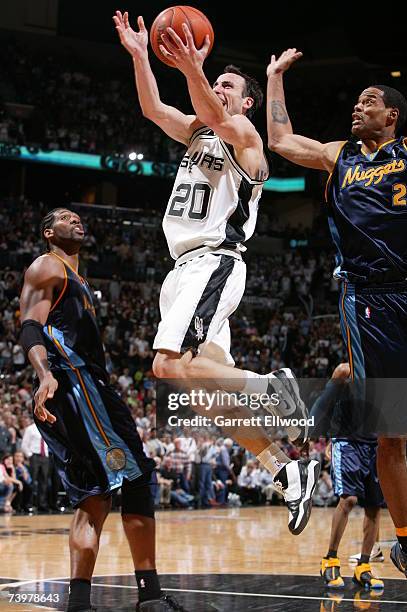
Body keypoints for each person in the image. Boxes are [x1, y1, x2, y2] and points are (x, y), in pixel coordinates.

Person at [113, 10, 319, 536]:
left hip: (213, 261)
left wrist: (192, 69)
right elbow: (153, 107)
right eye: (216, 82)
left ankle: (272, 387)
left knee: (165, 368)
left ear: (246, 102)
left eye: (228, 84)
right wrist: (142, 56)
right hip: (182, 269)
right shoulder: (197, 131)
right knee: (205, 394)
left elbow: (211, 107)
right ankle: (286, 466)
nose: (218, 89)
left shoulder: (244, 134)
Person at [266, 51, 407, 575]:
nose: (357, 107)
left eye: (369, 102)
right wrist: (275, 79)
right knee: (391, 431)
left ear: (392, 114)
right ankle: (406, 540)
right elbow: (280, 141)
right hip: (370, 299)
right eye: (355, 102)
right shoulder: (339, 155)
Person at [19, 208, 185, 612]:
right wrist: (44, 374)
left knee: (94, 499)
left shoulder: (78, 278)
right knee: (138, 480)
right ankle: (148, 596)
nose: (75, 220)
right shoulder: (47, 266)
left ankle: (80, 602)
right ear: (48, 232)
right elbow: (29, 326)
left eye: (78, 217)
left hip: (82, 387)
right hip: (76, 384)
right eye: (64, 217)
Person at [317, 364, 384, 590]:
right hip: (347, 441)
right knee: (349, 499)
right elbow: (324, 403)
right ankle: (330, 560)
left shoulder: (385, 371)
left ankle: (363, 566)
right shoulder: (345, 371)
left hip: (376, 444)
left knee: (374, 508)